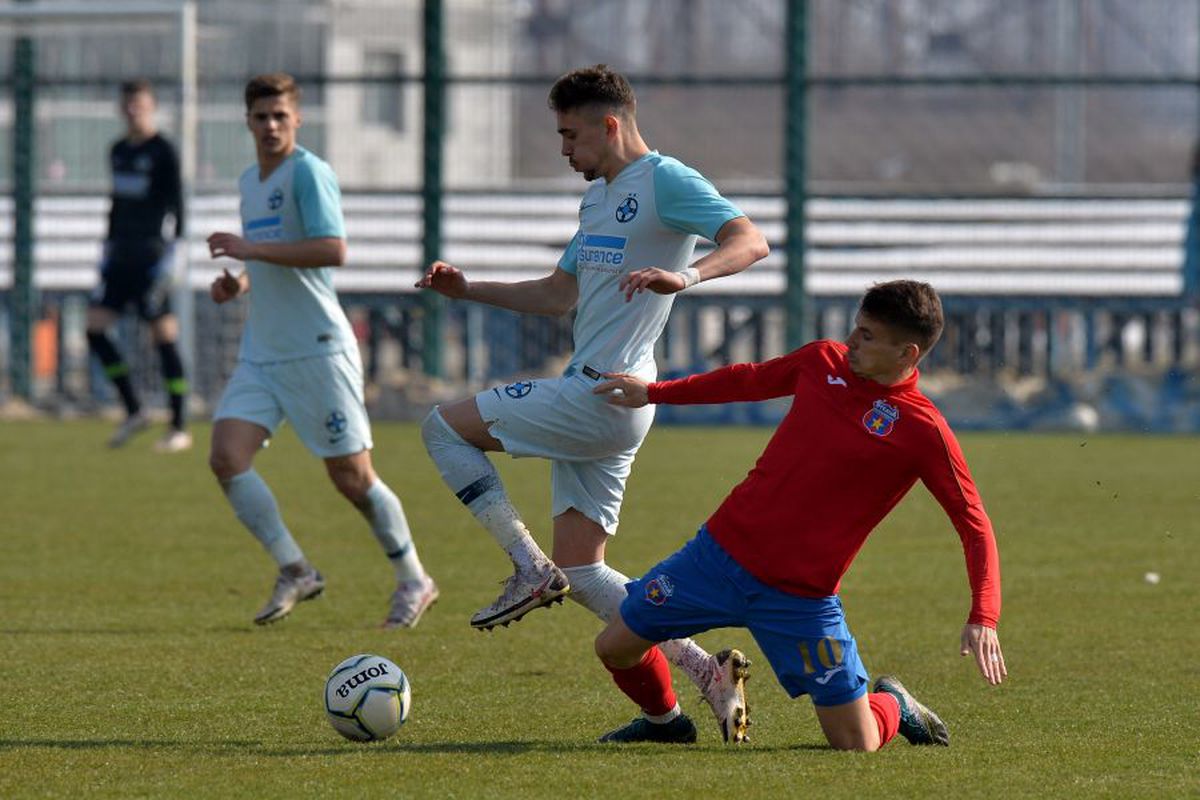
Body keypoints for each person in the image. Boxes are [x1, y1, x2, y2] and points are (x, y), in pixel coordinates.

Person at [416, 64, 770, 741]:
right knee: (582, 569)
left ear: (610, 125)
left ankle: (525, 568)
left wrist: (686, 275)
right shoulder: (598, 199)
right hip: (608, 399)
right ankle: (697, 684)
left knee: (440, 428)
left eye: (570, 135)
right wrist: (468, 291)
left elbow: (750, 240)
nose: (563, 150)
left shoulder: (666, 180)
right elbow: (558, 294)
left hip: (603, 395)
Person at [590, 280, 1006, 747]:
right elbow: (747, 379)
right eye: (856, 328)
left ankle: (895, 703)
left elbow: (974, 523)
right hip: (716, 559)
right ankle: (665, 724)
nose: (851, 341)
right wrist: (654, 393)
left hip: (801, 600)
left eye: (867, 336)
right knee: (616, 646)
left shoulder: (923, 429)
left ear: (907, 353)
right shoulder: (821, 361)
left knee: (856, 742)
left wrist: (983, 615)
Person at [206, 73, 437, 628]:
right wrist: (240, 280)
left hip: (317, 349)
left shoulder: (308, 172)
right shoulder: (249, 181)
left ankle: (414, 579)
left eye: (280, 116)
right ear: (247, 121)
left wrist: (252, 249)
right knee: (226, 456)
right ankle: (295, 568)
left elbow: (333, 249)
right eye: (261, 116)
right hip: (263, 350)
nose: (270, 126)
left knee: (352, 477)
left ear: (297, 120)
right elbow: (272, 261)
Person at [87, 78, 191, 452]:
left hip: (151, 257)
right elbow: (116, 204)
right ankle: (134, 408)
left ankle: (179, 425)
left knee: (163, 336)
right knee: (94, 329)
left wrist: (174, 255)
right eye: (128, 104)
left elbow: (177, 205)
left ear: (151, 107)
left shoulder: (164, 150)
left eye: (140, 104)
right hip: (119, 258)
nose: (134, 110)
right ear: (121, 107)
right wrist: (106, 249)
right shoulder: (117, 150)